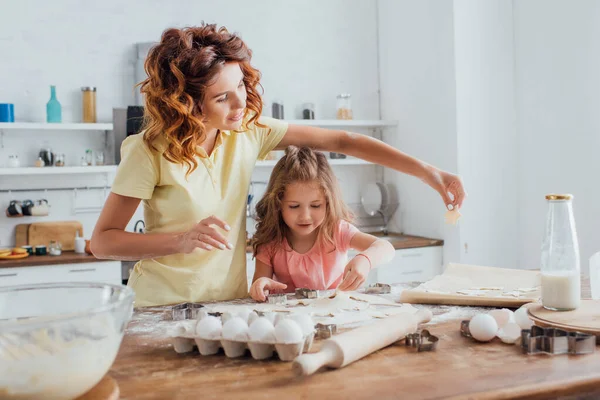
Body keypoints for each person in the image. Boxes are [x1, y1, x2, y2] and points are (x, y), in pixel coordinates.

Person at [91, 24, 466, 307]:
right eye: (223, 97)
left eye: (241, 85)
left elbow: (343, 141)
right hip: (160, 305)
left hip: (229, 304)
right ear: (187, 102)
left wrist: (429, 173)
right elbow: (103, 241)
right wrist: (180, 240)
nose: (241, 104)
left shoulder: (248, 133)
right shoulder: (148, 151)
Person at [249, 146, 395, 302]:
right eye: (294, 206)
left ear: (328, 202)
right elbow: (259, 290)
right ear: (278, 204)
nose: (305, 216)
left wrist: (365, 260)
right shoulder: (271, 241)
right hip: (290, 319)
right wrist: (260, 286)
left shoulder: (337, 230)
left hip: (335, 313)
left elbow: (386, 248)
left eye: (315, 205)